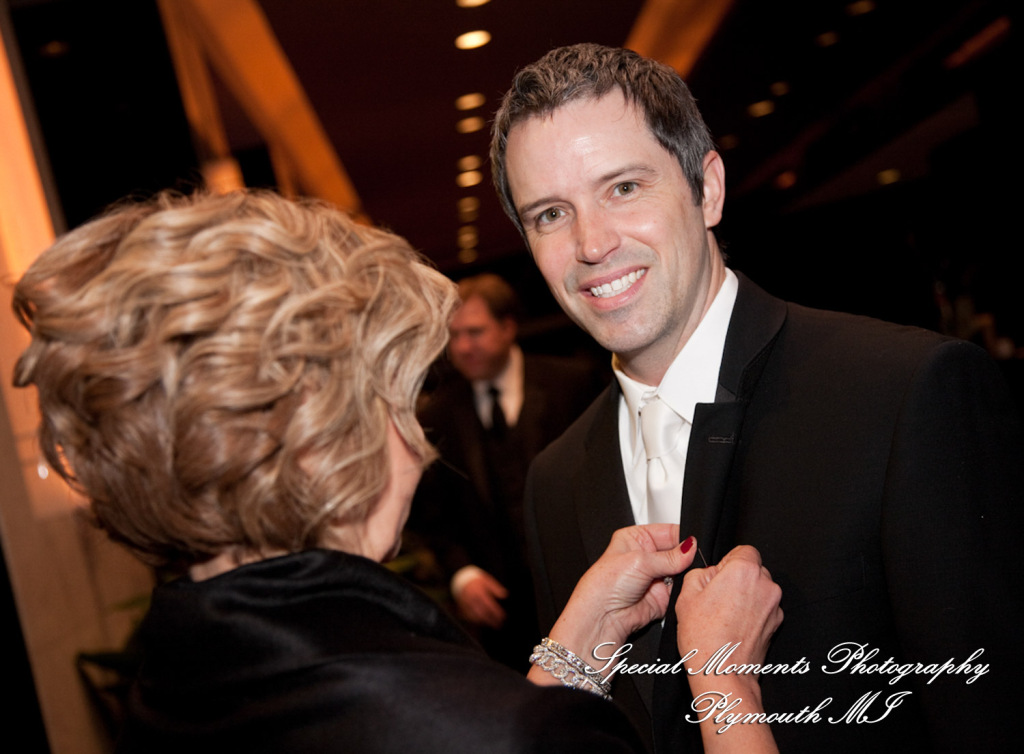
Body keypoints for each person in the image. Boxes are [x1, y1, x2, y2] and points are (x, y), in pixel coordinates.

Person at [12, 189, 783, 753]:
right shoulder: (489, 726)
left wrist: (579, 643)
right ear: (324, 443)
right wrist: (724, 684)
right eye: (399, 399)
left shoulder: (177, 681)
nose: (417, 441)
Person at [490, 43, 1023, 753]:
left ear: (707, 189)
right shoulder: (555, 482)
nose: (592, 243)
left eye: (623, 188)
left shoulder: (902, 395)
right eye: (551, 214)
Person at [412, 272, 602, 669]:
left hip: (588, 590)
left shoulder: (572, 384)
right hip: (502, 618)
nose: (463, 347)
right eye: (454, 335)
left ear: (508, 327)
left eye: (475, 332)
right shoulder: (439, 414)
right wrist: (461, 574)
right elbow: (435, 513)